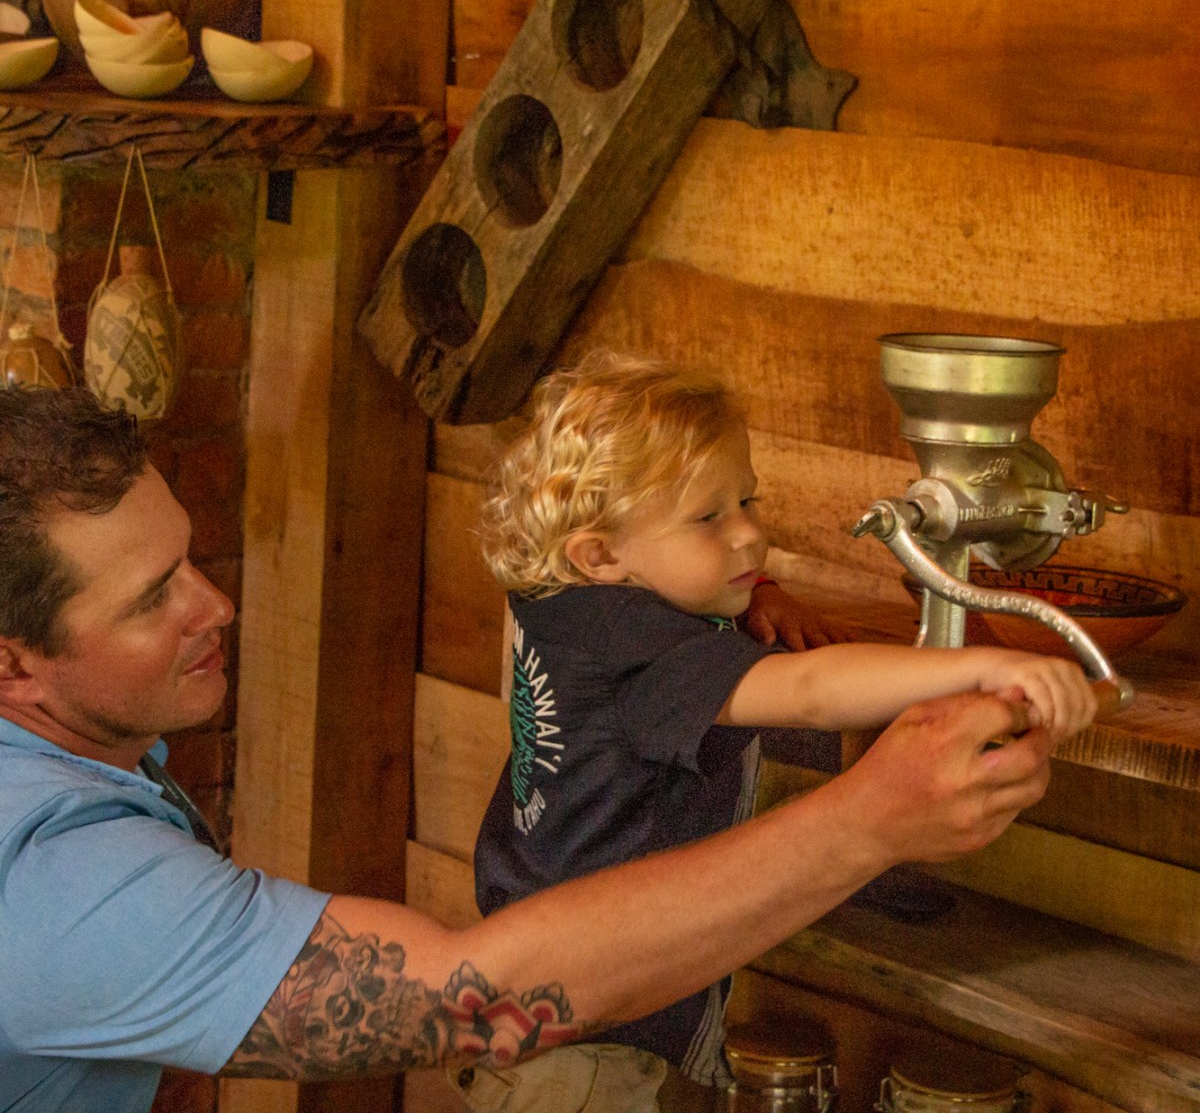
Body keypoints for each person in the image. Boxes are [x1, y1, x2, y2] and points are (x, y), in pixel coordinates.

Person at [0, 384, 1064, 1113]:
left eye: (191, 560)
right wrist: (872, 816)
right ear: (13, 667)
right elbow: (462, 997)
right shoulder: (53, 883)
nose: (217, 603)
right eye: (152, 600)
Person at [469, 352, 1097, 1111]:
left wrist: (754, 590)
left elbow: (664, 573)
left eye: (746, 502)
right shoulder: (642, 650)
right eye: (709, 518)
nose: (749, 537)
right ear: (600, 553)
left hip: (526, 981)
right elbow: (807, 691)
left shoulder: (558, 594)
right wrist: (979, 670)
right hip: (588, 1048)